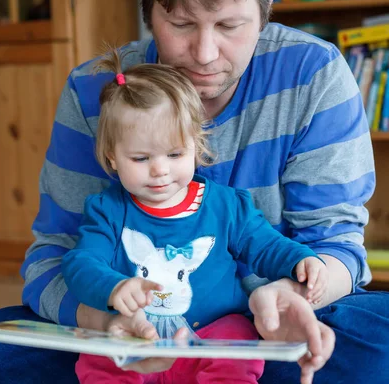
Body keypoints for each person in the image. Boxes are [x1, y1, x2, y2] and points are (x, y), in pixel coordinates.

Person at [0, 0, 389, 383]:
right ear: (148, 8)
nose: (205, 55)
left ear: (267, 2)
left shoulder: (315, 74)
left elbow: (335, 248)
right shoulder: (94, 91)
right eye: (181, 24)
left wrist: (292, 297)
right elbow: (56, 257)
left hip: (257, 331)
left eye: (229, 25)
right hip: (127, 336)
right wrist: (108, 326)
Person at [61, 49, 328, 383]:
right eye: (141, 158)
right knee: (96, 356)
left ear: (196, 146)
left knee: (239, 337)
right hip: (137, 334)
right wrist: (113, 288)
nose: (160, 170)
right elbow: (80, 264)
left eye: (174, 153)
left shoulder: (226, 205)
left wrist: (299, 260)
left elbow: (265, 245)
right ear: (112, 157)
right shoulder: (107, 211)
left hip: (213, 332)